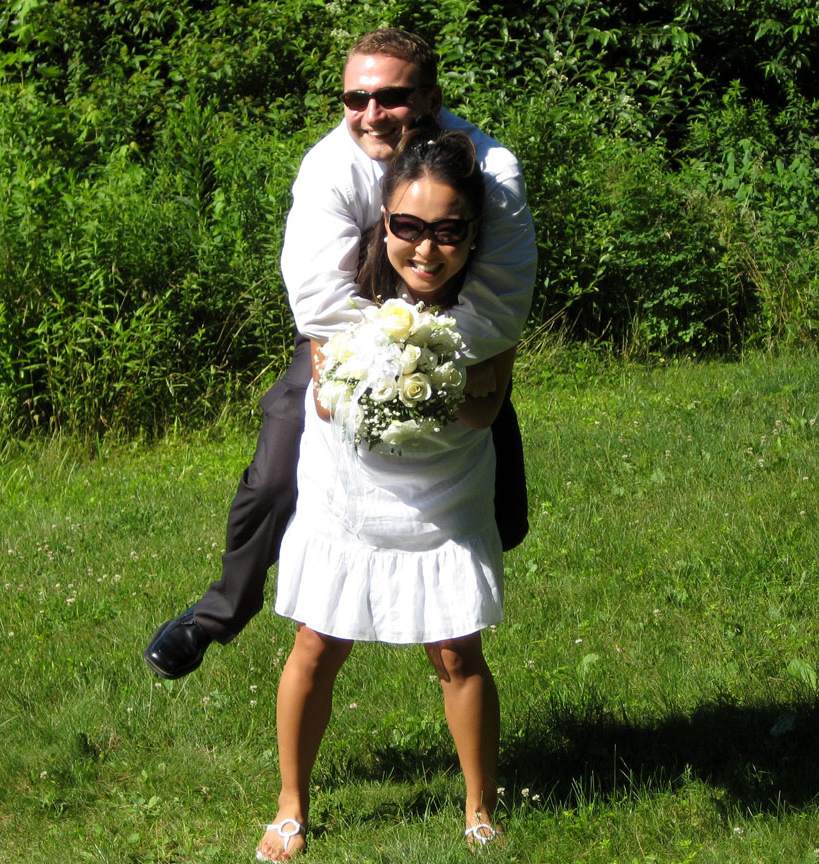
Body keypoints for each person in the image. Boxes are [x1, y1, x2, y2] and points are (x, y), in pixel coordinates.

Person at [144, 28, 535, 680]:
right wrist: (381, 364)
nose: (370, 114)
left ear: (432, 98)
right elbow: (321, 299)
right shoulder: (329, 166)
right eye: (355, 97)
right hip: (346, 335)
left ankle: (474, 551)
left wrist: (432, 364)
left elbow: (497, 301)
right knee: (274, 473)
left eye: (391, 97)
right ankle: (216, 614)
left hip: (458, 334)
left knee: (499, 494)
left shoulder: (492, 172)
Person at [257, 126, 514, 862]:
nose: (425, 250)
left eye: (447, 232)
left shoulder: (490, 305)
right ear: (385, 223)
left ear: (471, 235)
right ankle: (290, 806)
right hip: (349, 484)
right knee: (315, 642)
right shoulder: (346, 291)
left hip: (449, 485)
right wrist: (387, 360)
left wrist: (428, 375)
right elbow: (333, 403)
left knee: (456, 650)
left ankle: (480, 808)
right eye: (407, 227)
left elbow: (486, 404)